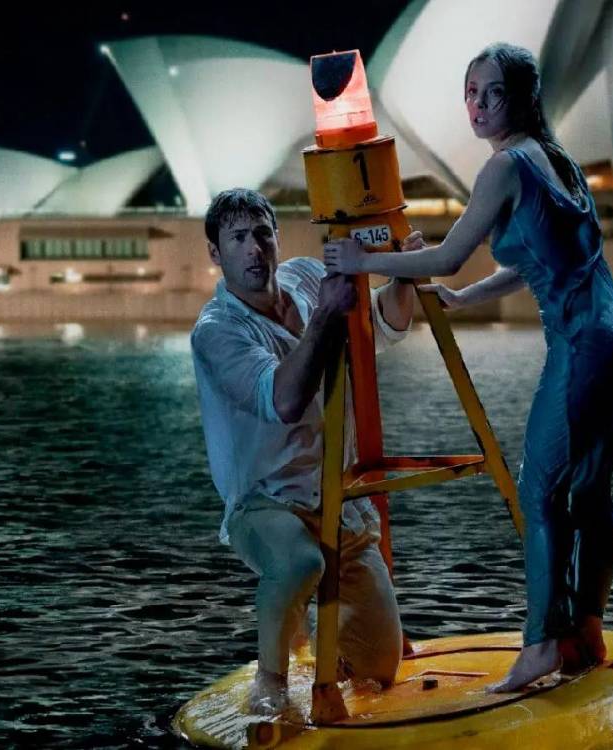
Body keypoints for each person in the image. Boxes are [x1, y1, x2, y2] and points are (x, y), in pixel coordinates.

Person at [324, 43, 613, 692]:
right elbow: (542, 260)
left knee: (539, 492)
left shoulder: (504, 167)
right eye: (468, 91)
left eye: (490, 93)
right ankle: (585, 627)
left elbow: (445, 257)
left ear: (522, 98)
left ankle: (541, 645)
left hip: (584, 345)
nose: (475, 104)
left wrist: (361, 264)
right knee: (587, 491)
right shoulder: (558, 160)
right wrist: (469, 299)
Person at [191, 187, 421, 713]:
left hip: (336, 497)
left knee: (379, 666)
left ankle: (321, 643)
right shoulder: (217, 331)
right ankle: (269, 684)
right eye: (238, 239)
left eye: (263, 234)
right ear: (215, 253)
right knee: (297, 563)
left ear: (277, 237)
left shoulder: (301, 276)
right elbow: (286, 399)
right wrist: (323, 317)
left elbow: (382, 326)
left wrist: (404, 272)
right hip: (265, 501)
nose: (255, 249)